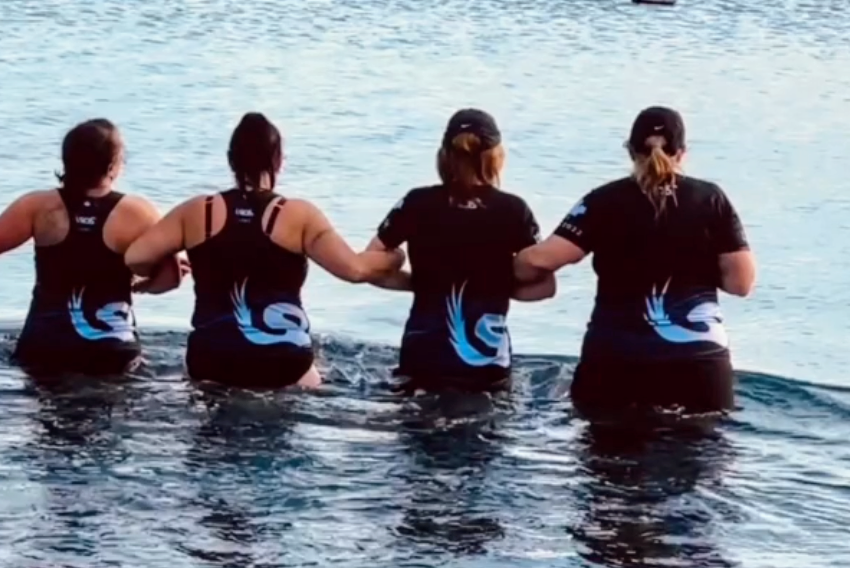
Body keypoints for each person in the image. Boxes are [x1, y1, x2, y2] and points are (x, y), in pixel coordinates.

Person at [124, 112, 404, 390]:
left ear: (231, 159)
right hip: (283, 361)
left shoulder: (197, 212)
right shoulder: (299, 215)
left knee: (202, 385)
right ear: (278, 161)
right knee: (312, 377)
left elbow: (136, 257)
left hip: (212, 359)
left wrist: (160, 271)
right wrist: (394, 257)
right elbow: (354, 270)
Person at [513, 106, 756, 414]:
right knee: (700, 453)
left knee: (608, 453)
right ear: (682, 152)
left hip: (617, 357)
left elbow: (540, 260)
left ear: (630, 150)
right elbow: (741, 283)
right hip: (698, 363)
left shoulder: (603, 200)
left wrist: (491, 268)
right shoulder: (711, 199)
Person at [0, 118, 182, 376]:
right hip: (112, 349)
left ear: (67, 162)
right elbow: (171, 277)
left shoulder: (38, 206)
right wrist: (139, 286)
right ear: (113, 166)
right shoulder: (138, 213)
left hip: (46, 344)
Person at [364, 108, 556, 393]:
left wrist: (418, 283)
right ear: (496, 158)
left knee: (418, 426)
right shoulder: (513, 209)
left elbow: (371, 266)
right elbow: (545, 287)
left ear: (444, 156)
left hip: (423, 353)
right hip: (485, 358)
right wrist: (496, 287)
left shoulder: (416, 202)